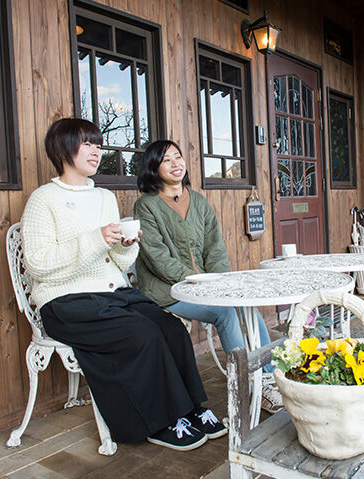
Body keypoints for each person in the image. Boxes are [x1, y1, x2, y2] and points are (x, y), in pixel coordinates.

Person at [20, 118, 226, 452]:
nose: (96, 151)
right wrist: (95, 239)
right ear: (62, 149)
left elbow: (117, 263)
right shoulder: (43, 199)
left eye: (98, 145)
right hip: (65, 301)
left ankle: (191, 408)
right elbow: (38, 264)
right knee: (141, 334)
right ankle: (159, 422)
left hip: (112, 293)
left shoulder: (104, 197)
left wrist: (127, 246)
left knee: (171, 328)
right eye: (87, 144)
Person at [134, 140, 282, 412]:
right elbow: (157, 258)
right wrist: (196, 280)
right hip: (169, 290)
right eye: (166, 160)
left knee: (245, 303)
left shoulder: (199, 201)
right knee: (225, 313)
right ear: (153, 168)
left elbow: (215, 249)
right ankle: (250, 385)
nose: (176, 164)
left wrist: (222, 283)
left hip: (205, 286)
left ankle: (269, 377)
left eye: (178, 157)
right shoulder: (147, 205)